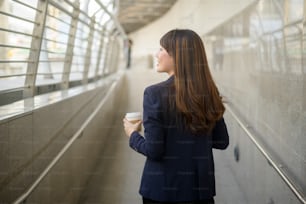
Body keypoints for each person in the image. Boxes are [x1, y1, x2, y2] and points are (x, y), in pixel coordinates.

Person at [123, 29, 229, 204]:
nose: (156, 54)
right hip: (201, 193)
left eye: (161, 50)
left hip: (161, 192)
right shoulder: (209, 92)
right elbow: (221, 141)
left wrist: (132, 134)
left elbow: (154, 150)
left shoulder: (154, 94)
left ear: (177, 56)